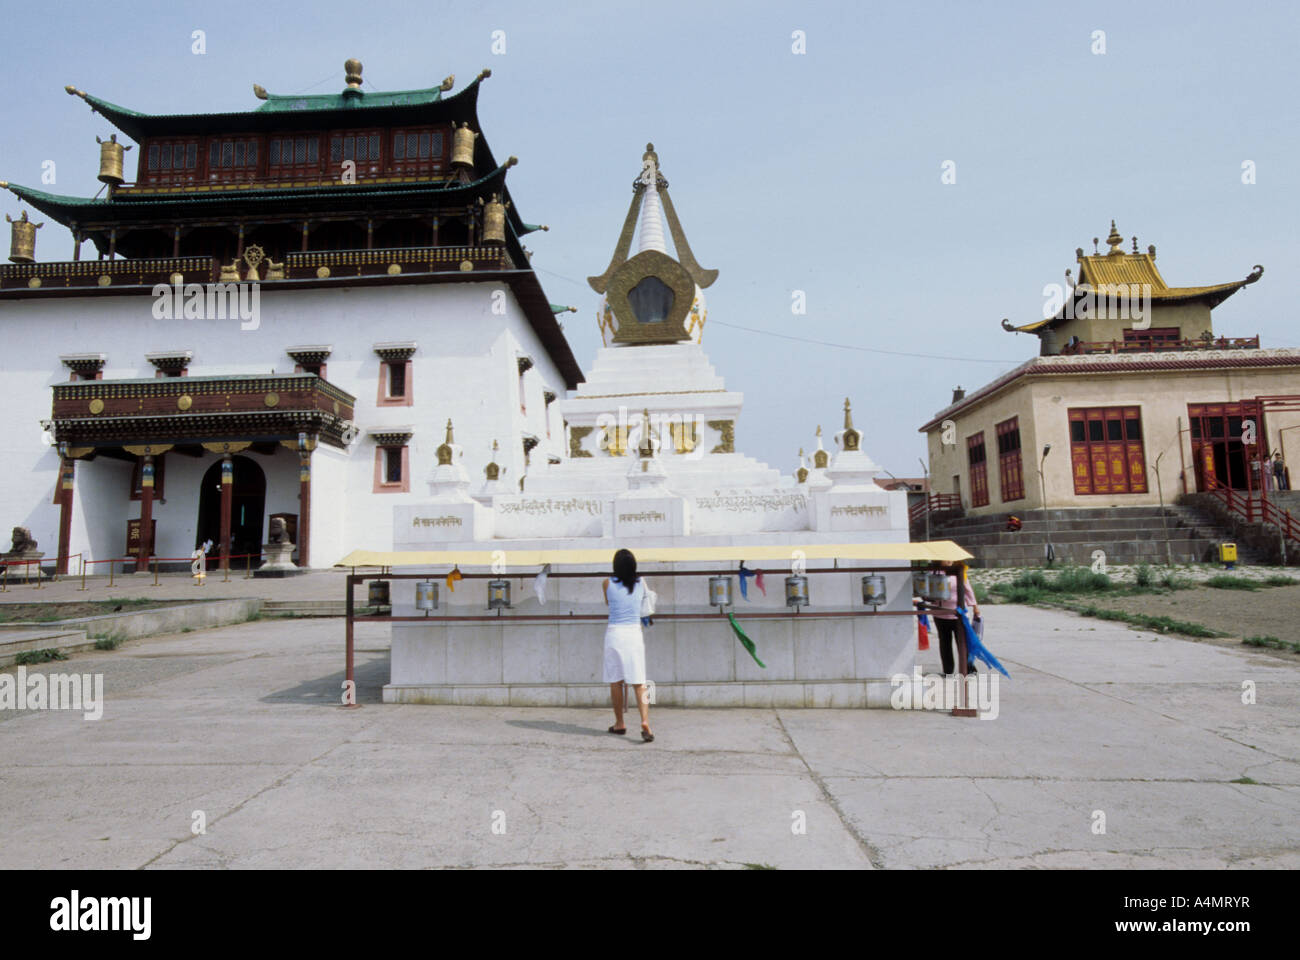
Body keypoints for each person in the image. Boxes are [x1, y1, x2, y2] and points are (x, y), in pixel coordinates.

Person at [602, 548, 653, 742]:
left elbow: (609, 603)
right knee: (639, 683)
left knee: (616, 681)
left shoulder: (607, 583)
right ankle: (645, 721)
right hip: (634, 633)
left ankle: (620, 723)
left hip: (615, 633)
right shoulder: (641, 583)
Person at [929, 562, 980, 677]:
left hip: (958, 614)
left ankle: (969, 669)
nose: (948, 561)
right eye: (945, 558)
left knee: (962, 643)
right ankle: (947, 671)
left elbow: (968, 590)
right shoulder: (933, 572)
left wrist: (975, 607)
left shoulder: (959, 570)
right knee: (945, 642)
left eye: (950, 559)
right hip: (940, 614)